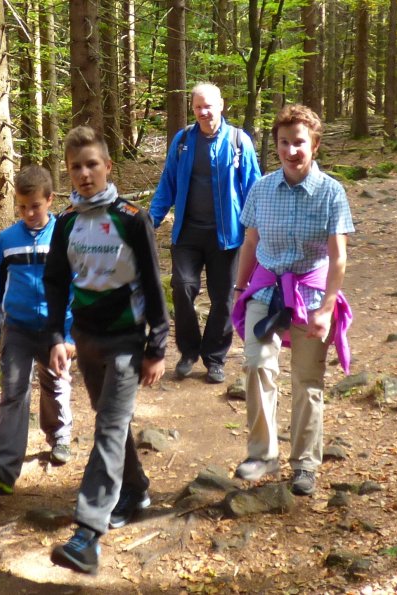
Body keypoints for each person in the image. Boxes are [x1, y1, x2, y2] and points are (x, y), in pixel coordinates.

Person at [44, 126, 168, 574]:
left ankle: (87, 534)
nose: (83, 174)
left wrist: (157, 344)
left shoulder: (132, 218)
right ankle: (135, 490)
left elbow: (154, 284)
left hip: (125, 341)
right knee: (110, 424)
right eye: (75, 167)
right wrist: (58, 337)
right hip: (87, 341)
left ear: (108, 166)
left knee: (110, 429)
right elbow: (56, 282)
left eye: (91, 164)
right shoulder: (66, 223)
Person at [230, 104, 354, 497]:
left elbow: (338, 257)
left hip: (312, 295)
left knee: (306, 380)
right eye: (284, 143)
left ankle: (304, 464)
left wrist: (327, 308)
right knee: (257, 365)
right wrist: (239, 287)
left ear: (314, 145)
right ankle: (263, 453)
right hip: (265, 291)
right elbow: (250, 241)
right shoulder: (262, 188)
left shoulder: (331, 193)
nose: (291, 151)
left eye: (299, 142)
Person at [149, 83, 261, 384]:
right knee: (183, 288)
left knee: (224, 298)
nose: (204, 111)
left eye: (209, 105)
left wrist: (259, 228)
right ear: (192, 108)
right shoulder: (183, 141)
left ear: (221, 105)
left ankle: (214, 358)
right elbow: (168, 183)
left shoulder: (239, 141)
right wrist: (151, 220)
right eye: (198, 106)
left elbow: (253, 187)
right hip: (187, 232)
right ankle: (188, 352)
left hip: (228, 236)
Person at [0, 165, 75, 497]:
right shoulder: (6, 240)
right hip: (16, 328)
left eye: (36, 205)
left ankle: (59, 436)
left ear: (50, 200)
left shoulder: (64, 235)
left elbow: (75, 287)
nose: (30, 213)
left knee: (55, 384)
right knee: (13, 395)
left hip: (54, 329)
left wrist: (70, 335)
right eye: (22, 207)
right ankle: (3, 469)